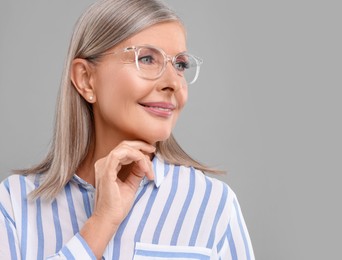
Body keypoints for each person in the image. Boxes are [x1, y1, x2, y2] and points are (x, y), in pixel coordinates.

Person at [0, 0, 255, 259]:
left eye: (180, 65)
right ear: (86, 79)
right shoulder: (14, 204)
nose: (173, 84)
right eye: (146, 59)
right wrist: (99, 225)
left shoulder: (213, 205)